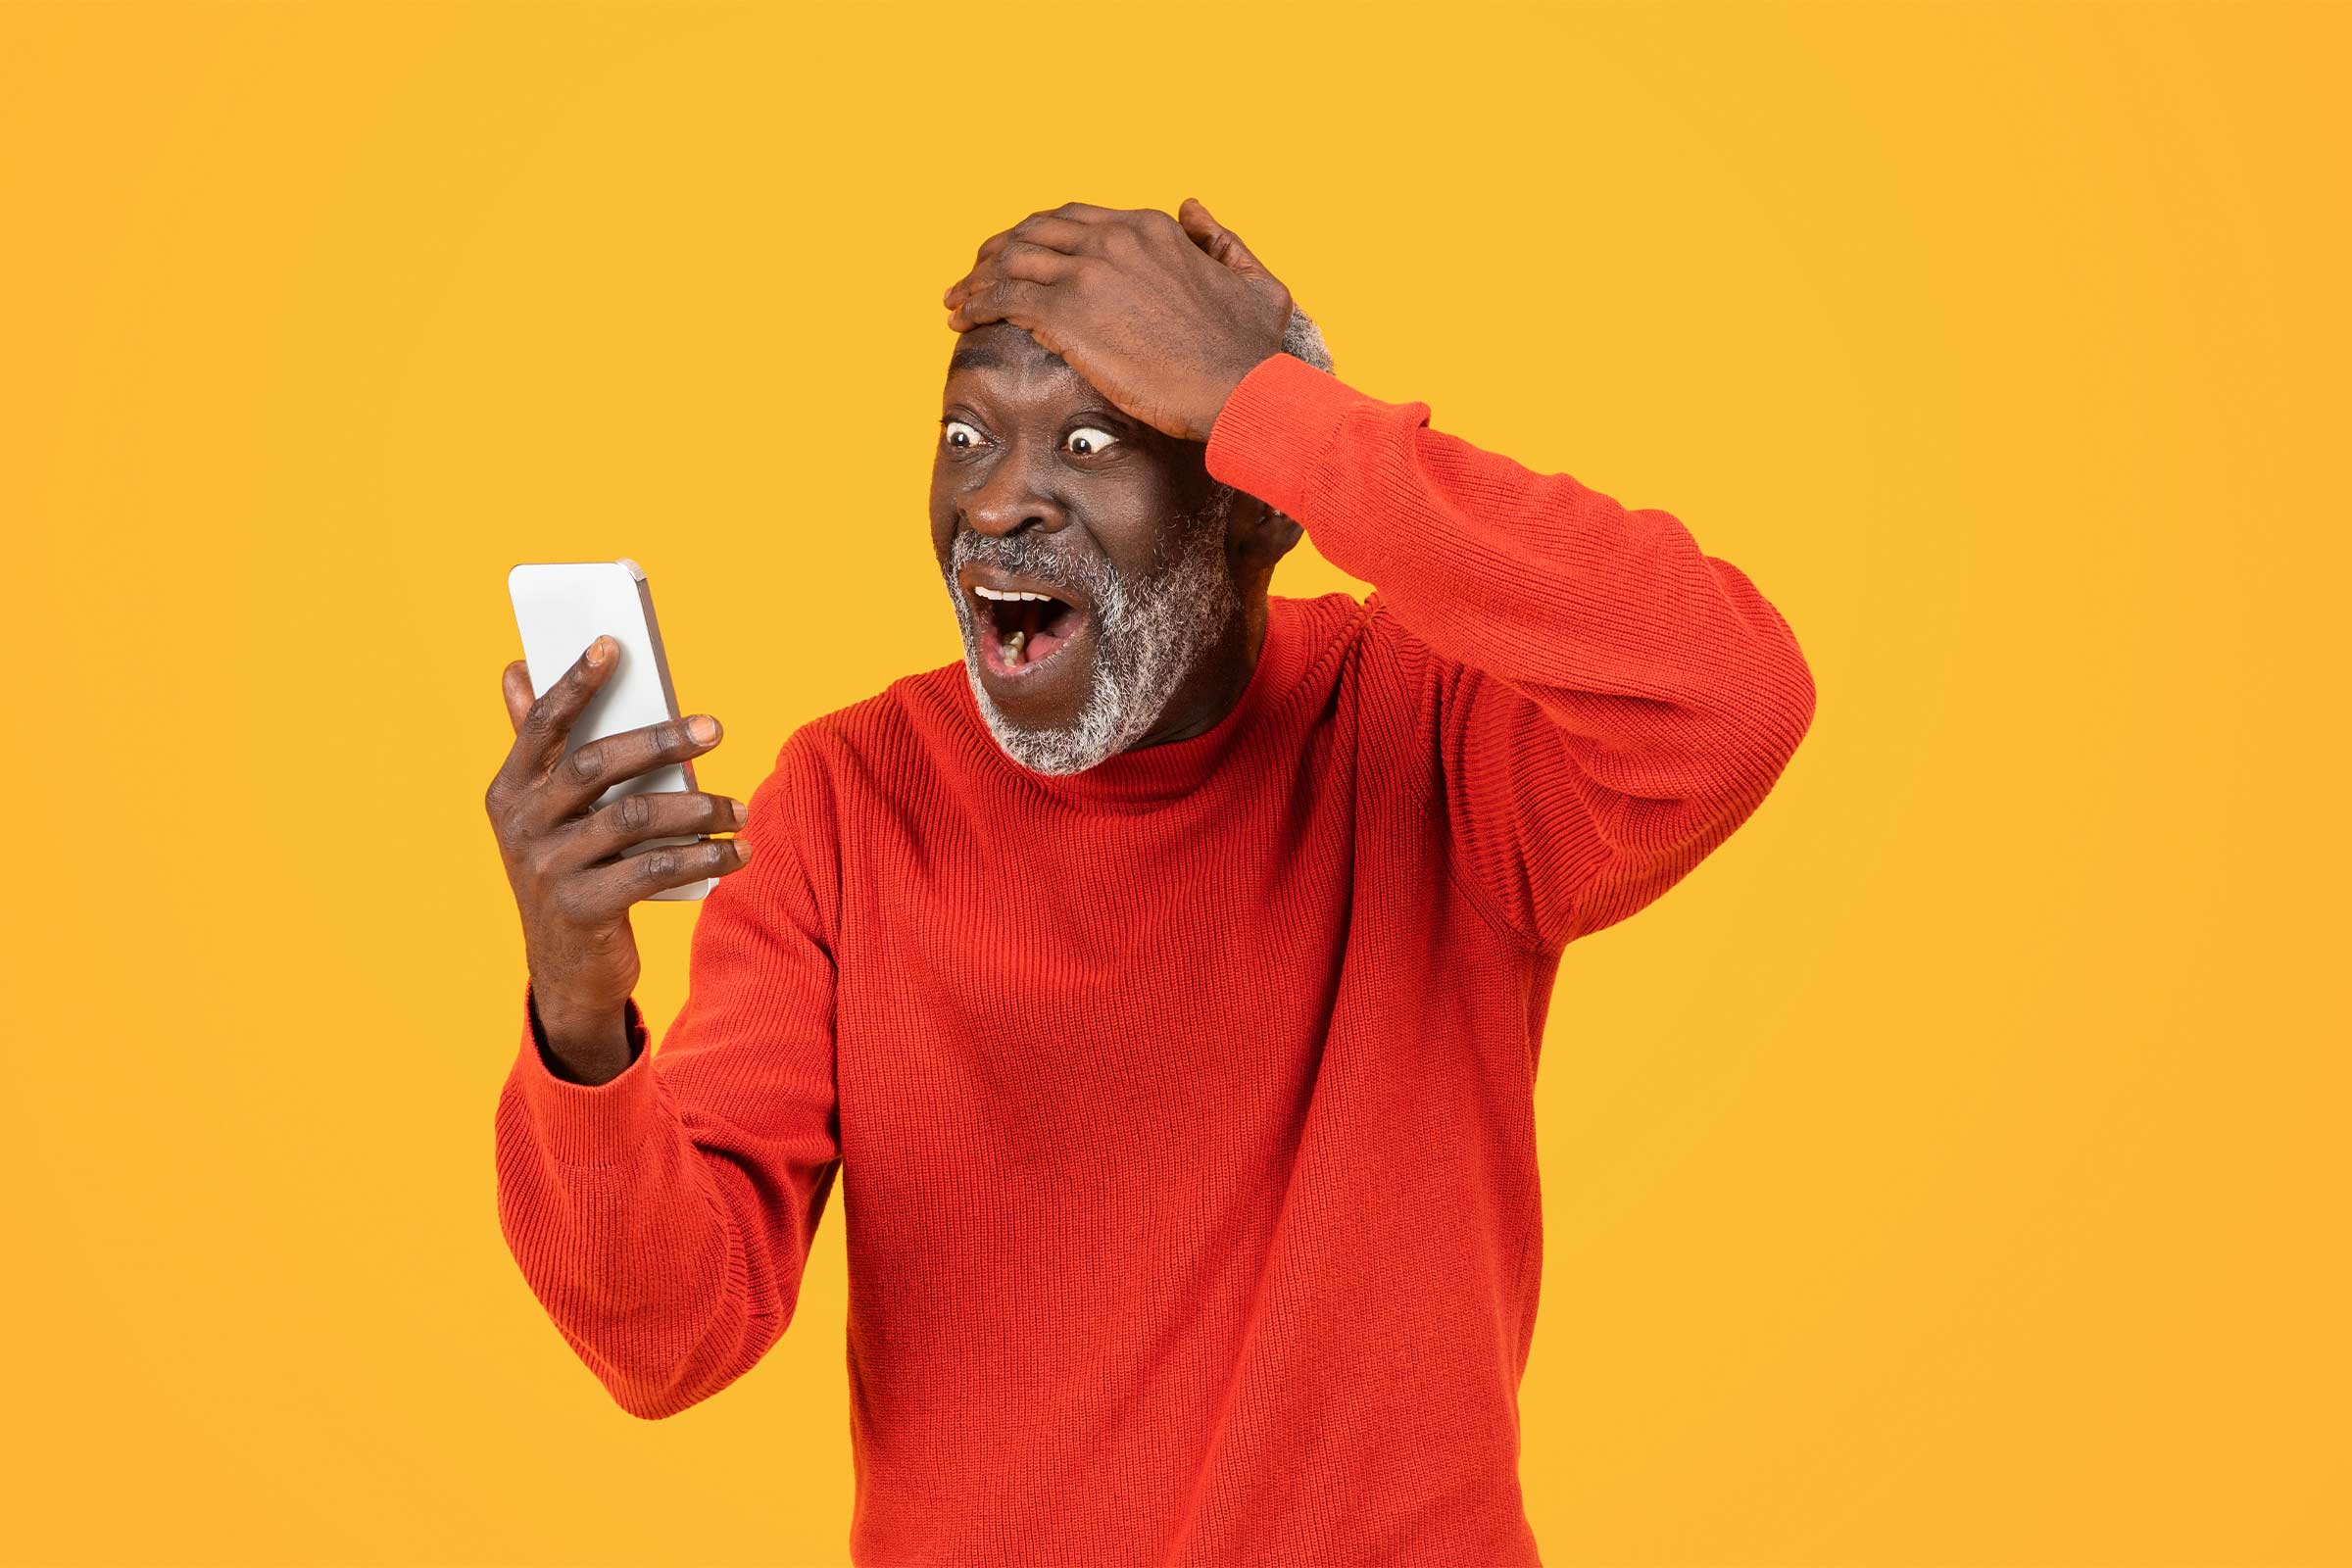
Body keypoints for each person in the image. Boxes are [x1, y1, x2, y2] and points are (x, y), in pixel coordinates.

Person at [484, 198, 1817, 1566]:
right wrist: (581, 1013)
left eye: (1089, 440)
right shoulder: (850, 798)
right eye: (966, 437)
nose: (998, 500)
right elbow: (668, 1335)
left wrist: (1278, 406)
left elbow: (1731, 697)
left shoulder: (1430, 737)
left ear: (1253, 506)